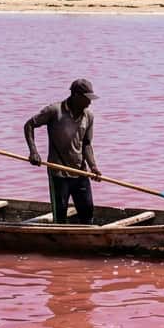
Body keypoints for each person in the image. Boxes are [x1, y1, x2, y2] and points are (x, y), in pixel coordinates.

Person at [25, 78, 101, 224]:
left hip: (80, 172)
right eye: (87, 99)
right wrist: (33, 151)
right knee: (60, 215)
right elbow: (29, 125)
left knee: (88, 212)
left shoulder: (88, 116)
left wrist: (93, 167)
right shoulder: (55, 111)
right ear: (76, 96)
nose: (90, 103)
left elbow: (86, 144)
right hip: (58, 172)